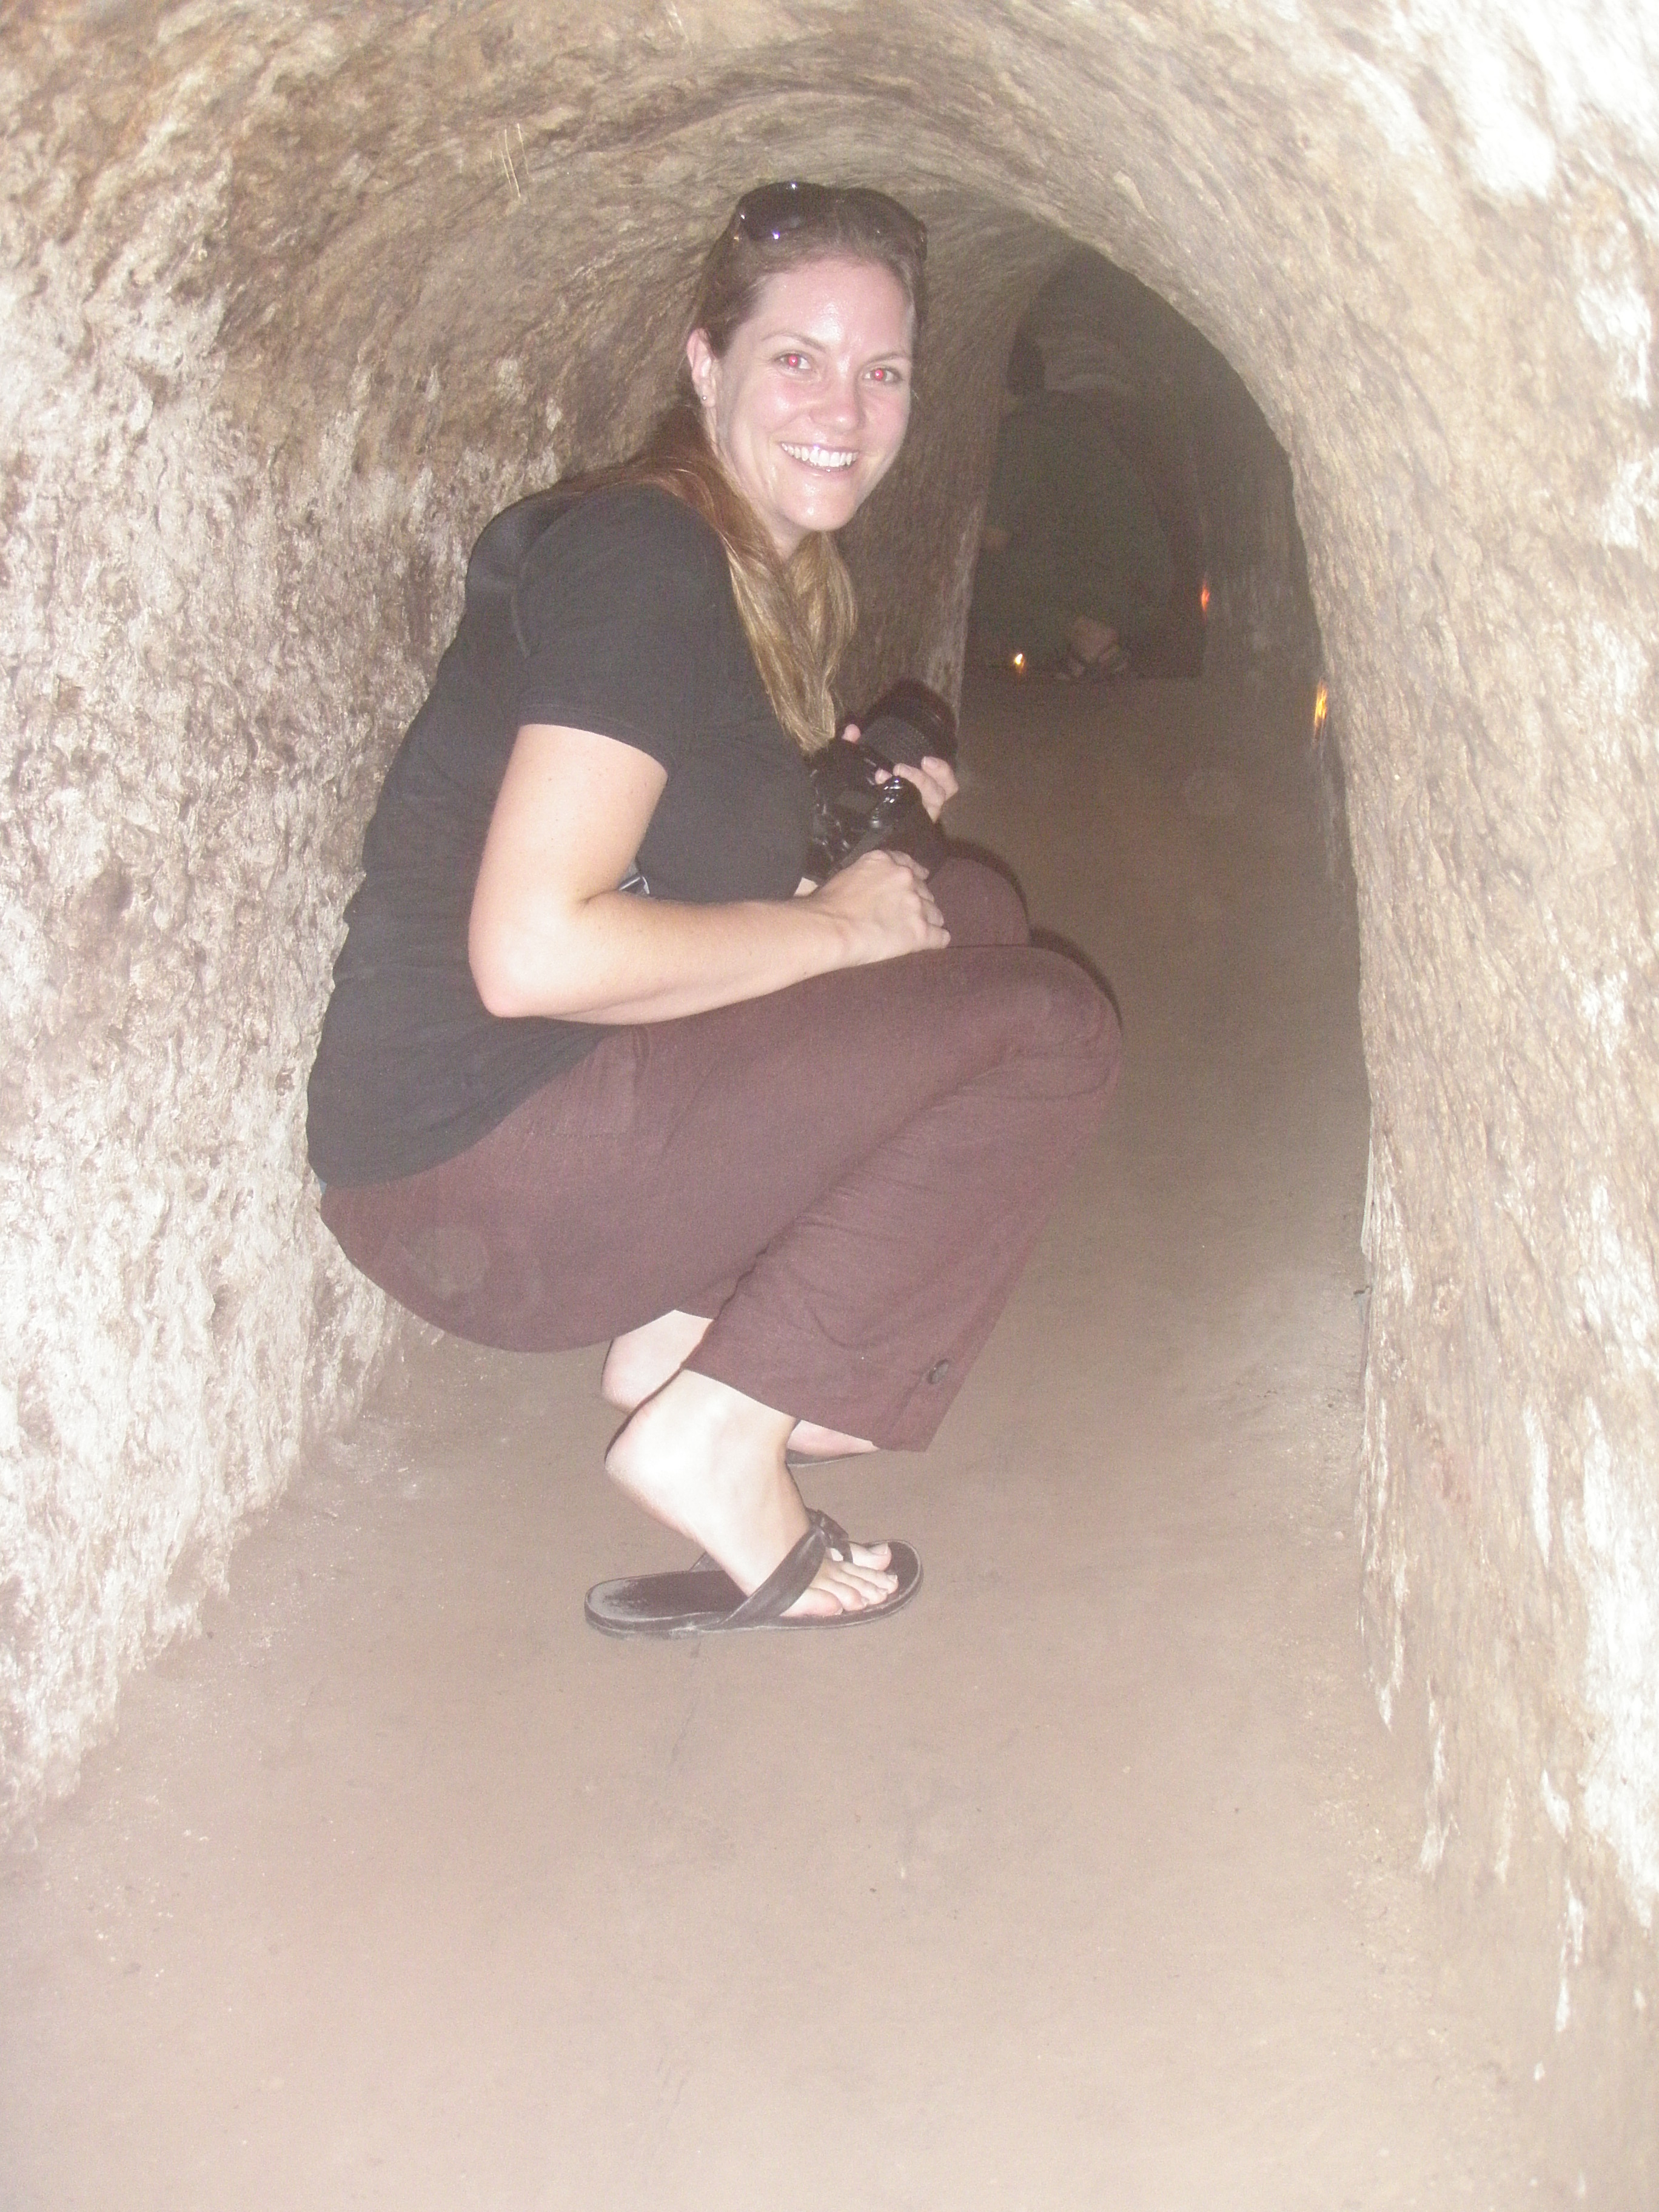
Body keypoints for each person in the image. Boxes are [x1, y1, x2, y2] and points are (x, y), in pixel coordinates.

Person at [307, 181, 1122, 1636]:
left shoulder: (751, 568)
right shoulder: (643, 560)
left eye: (881, 372)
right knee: (1047, 1028)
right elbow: (533, 948)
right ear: (704, 366)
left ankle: (686, 1338)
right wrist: (832, 932)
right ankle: (717, 1438)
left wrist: (844, 837)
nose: (844, 406)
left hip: (516, 1133)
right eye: (794, 358)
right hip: (475, 1168)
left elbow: (677, 860)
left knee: (966, 914)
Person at [970, 330, 1171, 678]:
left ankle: (1090, 636)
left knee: (976, 572)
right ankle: (1087, 646)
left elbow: (992, 539)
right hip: (1148, 584)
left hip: (1121, 594)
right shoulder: (1064, 413)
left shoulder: (1021, 431)